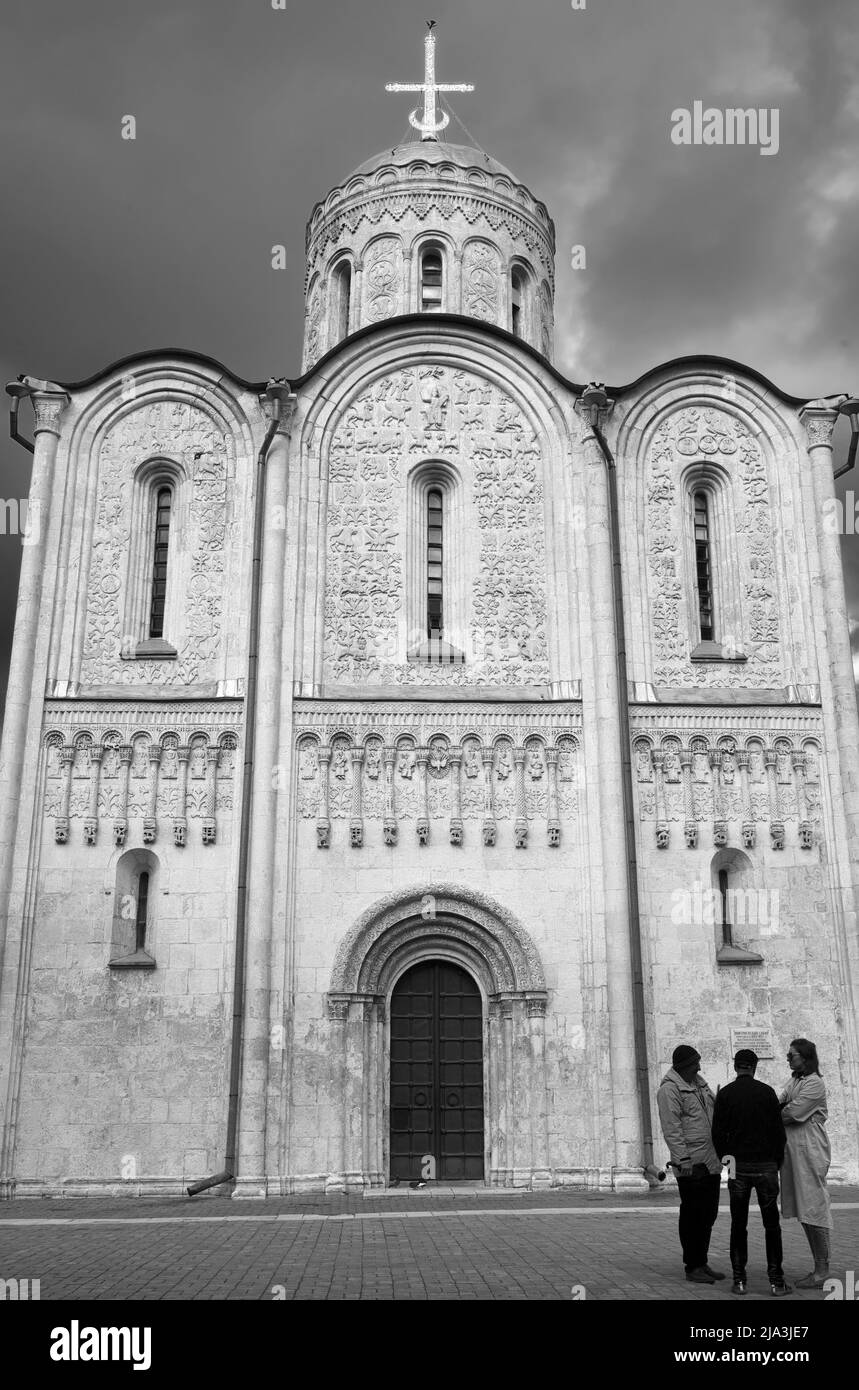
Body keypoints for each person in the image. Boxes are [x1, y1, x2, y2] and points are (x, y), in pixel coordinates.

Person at [711, 1049, 791, 1296]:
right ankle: (776, 1281)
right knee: (771, 1225)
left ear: (736, 1067)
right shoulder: (767, 1093)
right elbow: (779, 1133)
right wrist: (776, 1161)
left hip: (737, 1164)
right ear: (755, 1067)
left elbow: (717, 1133)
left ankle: (739, 1280)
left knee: (738, 1223)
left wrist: (727, 1161)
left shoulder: (725, 1094)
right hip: (766, 1164)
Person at [657, 1044, 724, 1284]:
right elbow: (671, 1127)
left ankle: (702, 1261)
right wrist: (681, 1158)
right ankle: (692, 1265)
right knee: (693, 1215)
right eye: (695, 1063)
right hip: (691, 1163)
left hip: (710, 1159)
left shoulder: (699, 1083)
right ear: (684, 1066)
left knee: (709, 1214)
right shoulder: (669, 1090)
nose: (699, 1066)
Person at [780, 1038, 832, 1289]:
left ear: (805, 1056)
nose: (788, 1059)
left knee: (814, 1207)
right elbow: (781, 1103)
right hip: (794, 1151)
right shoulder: (795, 1081)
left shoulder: (814, 1083)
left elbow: (791, 1112)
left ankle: (822, 1268)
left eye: (792, 1055)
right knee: (804, 1209)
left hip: (810, 1149)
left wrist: (777, 1111)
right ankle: (818, 1265)